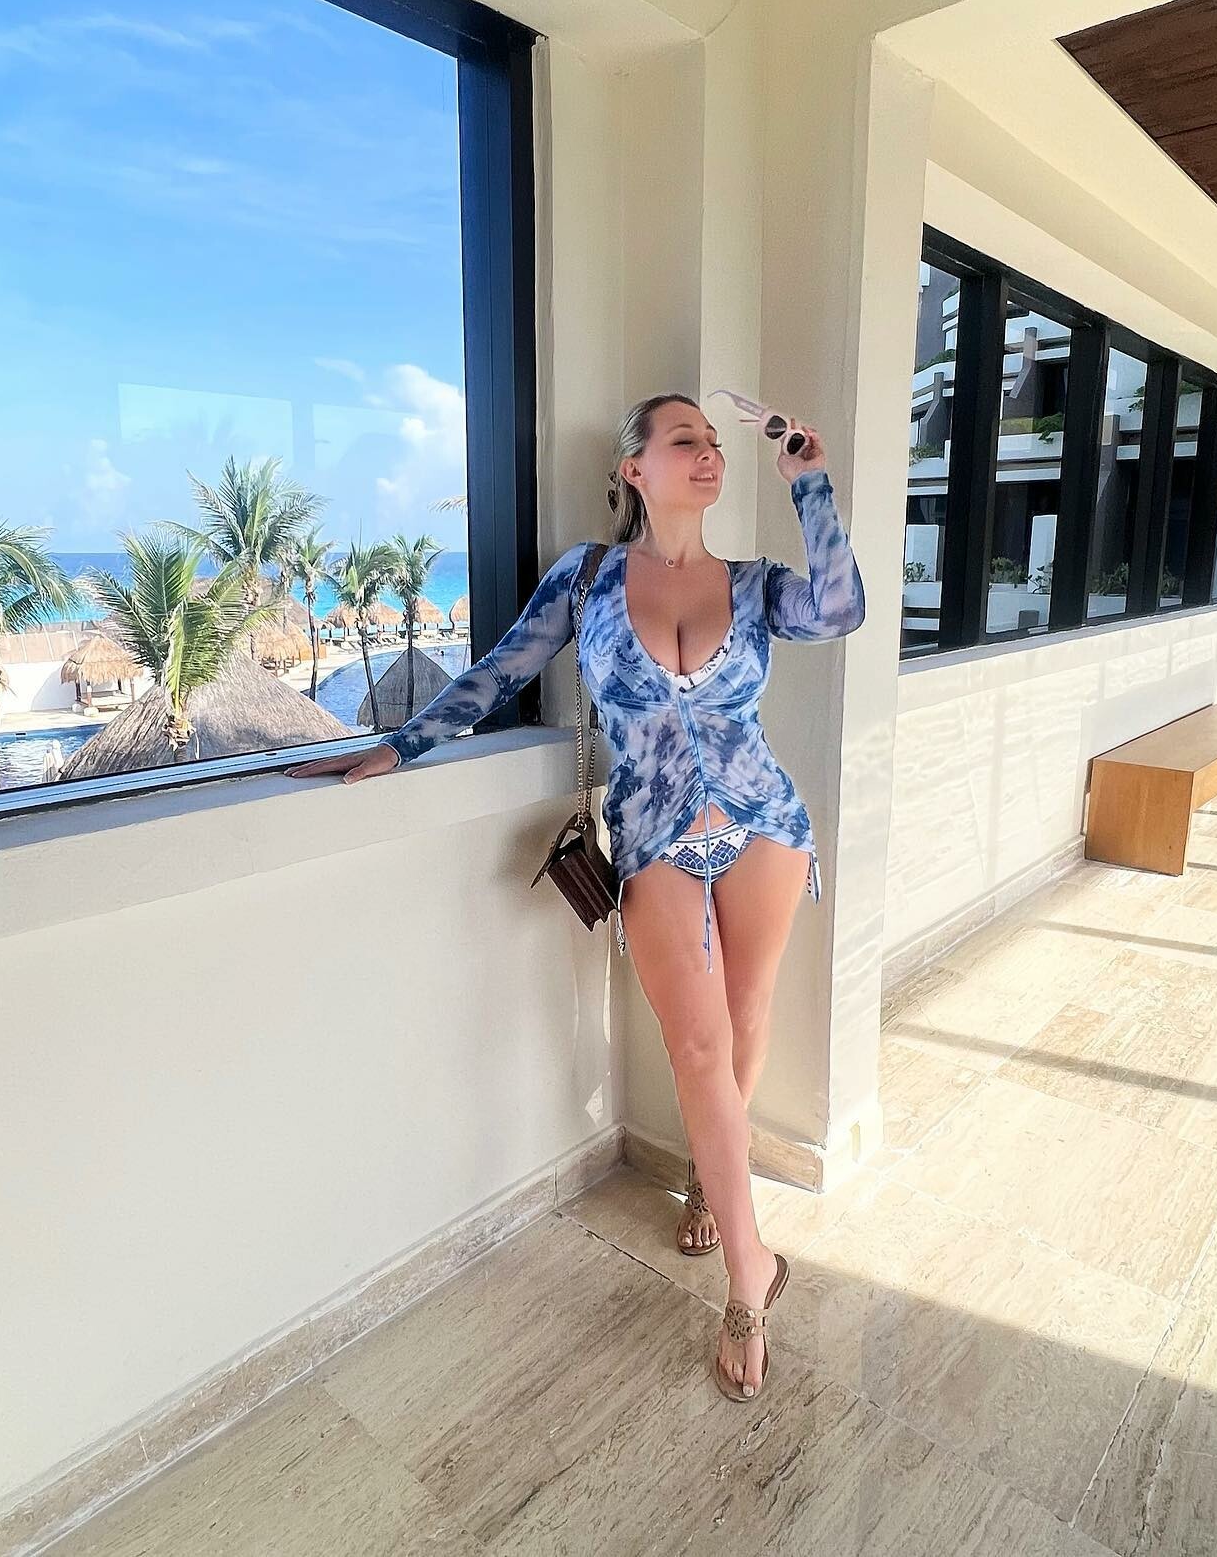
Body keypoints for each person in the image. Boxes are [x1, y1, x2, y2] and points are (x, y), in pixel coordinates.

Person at [286, 392, 865, 1401]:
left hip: (764, 820)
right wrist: (397, 746)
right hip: (653, 835)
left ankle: (711, 1182)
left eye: (714, 443)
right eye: (685, 440)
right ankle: (751, 1273)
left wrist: (808, 481)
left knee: (744, 1017)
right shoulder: (588, 577)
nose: (708, 454)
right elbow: (498, 669)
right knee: (696, 1047)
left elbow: (842, 609)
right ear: (635, 468)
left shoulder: (753, 582)